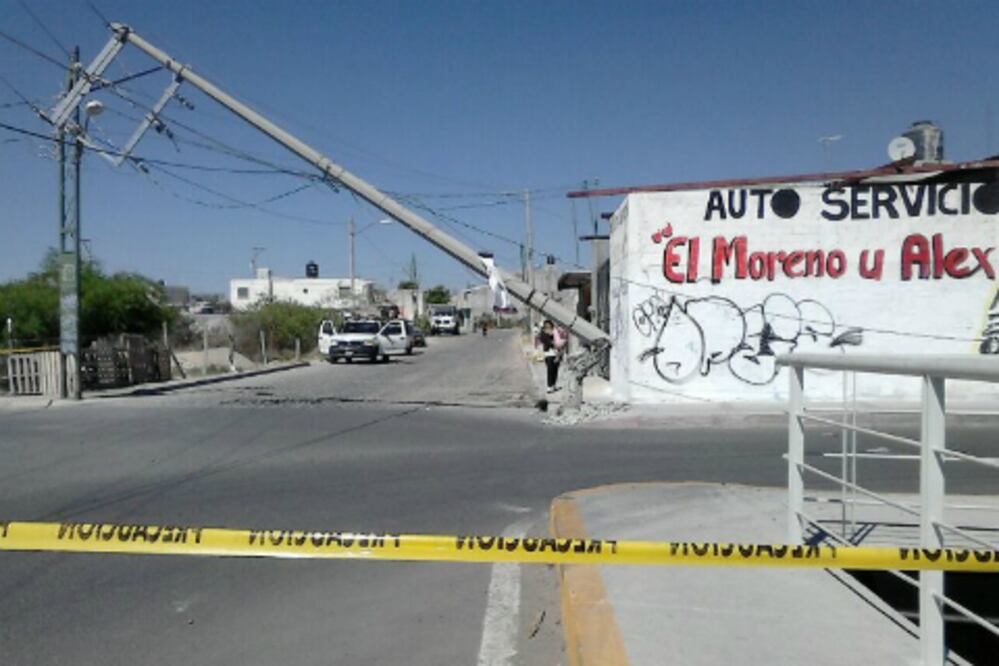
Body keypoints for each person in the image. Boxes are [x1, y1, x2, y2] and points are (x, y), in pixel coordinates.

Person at [535, 319, 564, 393]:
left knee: (555, 370)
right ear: (544, 326)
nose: (548, 326)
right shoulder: (543, 333)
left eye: (549, 325)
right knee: (550, 370)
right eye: (546, 325)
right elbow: (544, 341)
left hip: (557, 353)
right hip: (549, 354)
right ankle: (549, 386)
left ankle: (553, 385)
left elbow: (560, 339)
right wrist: (552, 342)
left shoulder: (555, 331)